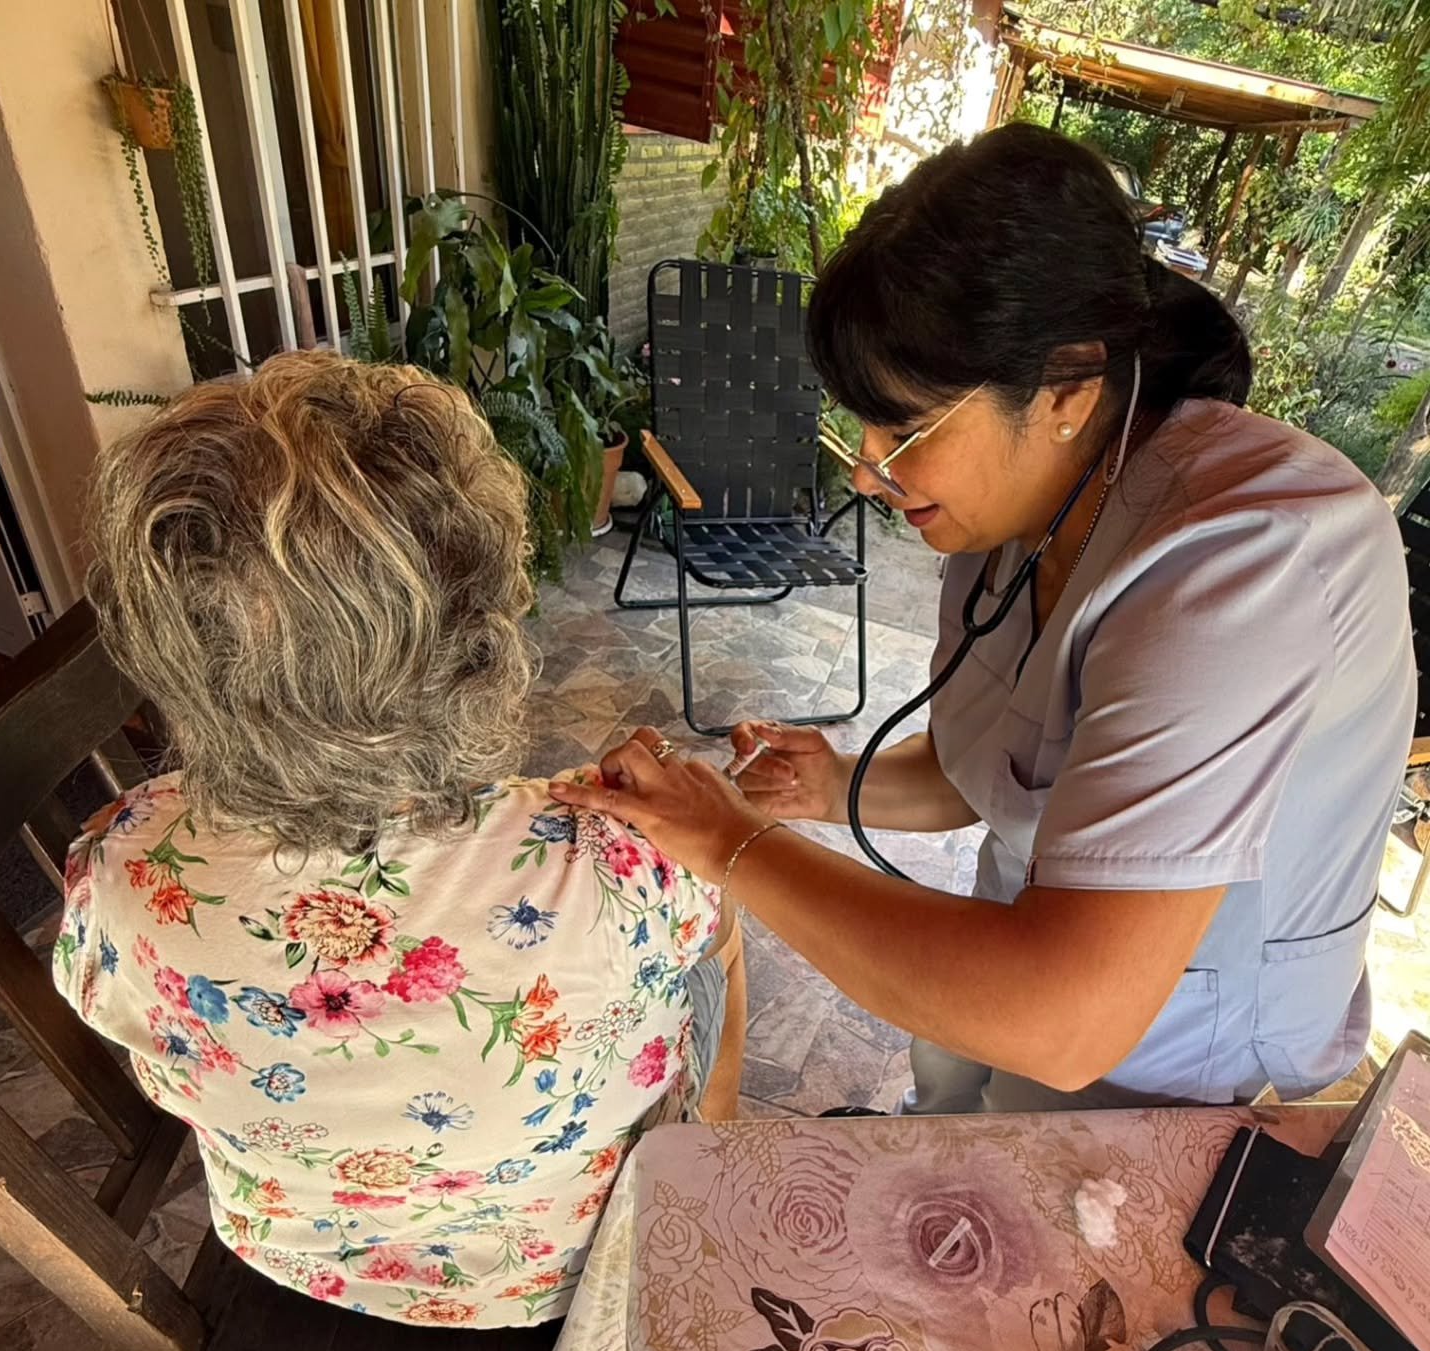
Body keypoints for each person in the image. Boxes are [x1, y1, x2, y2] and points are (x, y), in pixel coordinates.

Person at [549, 124, 1415, 1114]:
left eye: (904, 427)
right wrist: (831, 784)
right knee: (949, 1122)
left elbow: (1064, 1018)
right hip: (1008, 978)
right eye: (863, 426)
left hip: (1179, 1071)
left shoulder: (1246, 560)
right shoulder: (1014, 513)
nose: (869, 473)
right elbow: (1005, 768)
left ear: (1067, 391)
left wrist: (732, 844)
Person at [53, 350, 744, 1328]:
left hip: (296, 1257)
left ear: (174, 661)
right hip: (564, 1270)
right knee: (718, 934)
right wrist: (692, 840)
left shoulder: (127, 875)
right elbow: (704, 930)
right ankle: (713, 1150)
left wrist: (128, 838)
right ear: (484, 631)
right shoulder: (625, 858)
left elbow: (111, 1005)